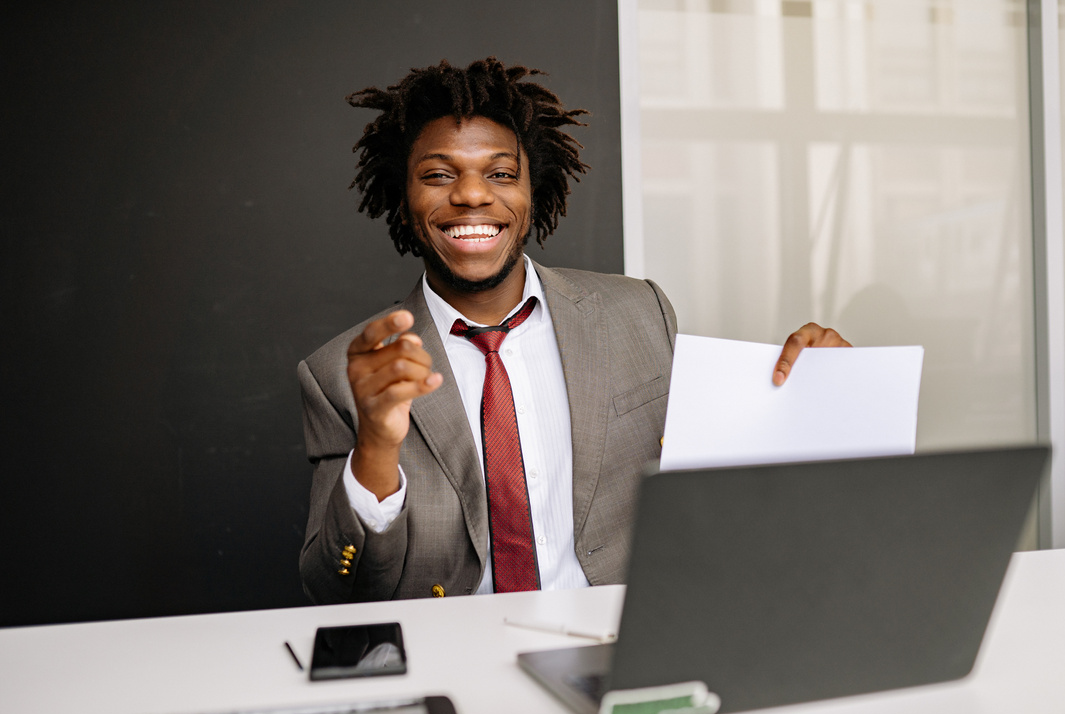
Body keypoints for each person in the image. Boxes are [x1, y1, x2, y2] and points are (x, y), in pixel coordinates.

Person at [298, 58, 848, 604]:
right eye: (439, 175)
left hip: (623, 639)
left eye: (501, 173)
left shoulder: (639, 312)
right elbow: (334, 590)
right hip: (453, 659)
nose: (471, 195)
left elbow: (723, 490)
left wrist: (823, 394)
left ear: (533, 193)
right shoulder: (343, 373)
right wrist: (375, 448)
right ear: (402, 199)